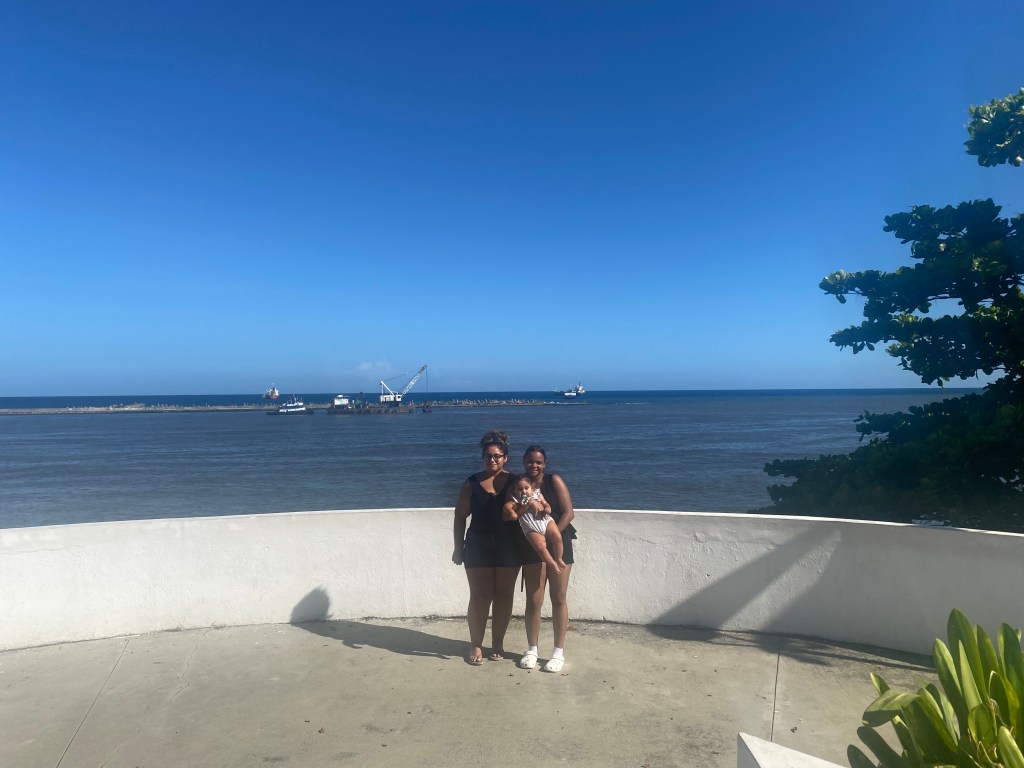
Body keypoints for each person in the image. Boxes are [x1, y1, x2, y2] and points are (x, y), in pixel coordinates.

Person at [451, 430, 520, 665]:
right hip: (477, 545)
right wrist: (458, 548)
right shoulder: (471, 483)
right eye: (488, 456)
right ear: (483, 458)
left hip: (509, 546)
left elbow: (533, 504)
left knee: (503, 596)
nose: (492, 460)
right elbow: (460, 517)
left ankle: (498, 642)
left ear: (506, 458)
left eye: (497, 456)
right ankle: (476, 644)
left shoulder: (515, 482)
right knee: (480, 597)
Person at [516, 445, 576, 673]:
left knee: (559, 596)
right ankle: (532, 649)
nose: (534, 466)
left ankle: (558, 652)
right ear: (524, 462)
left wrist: (552, 537)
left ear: (545, 464)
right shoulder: (521, 486)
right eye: (530, 461)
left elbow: (569, 513)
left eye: (538, 462)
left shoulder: (554, 481)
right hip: (533, 546)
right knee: (534, 598)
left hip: (559, 541)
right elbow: (516, 514)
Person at [502, 475, 566, 574]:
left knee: (557, 536)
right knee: (540, 546)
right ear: (514, 491)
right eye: (519, 489)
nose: (523, 491)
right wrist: (512, 512)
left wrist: (547, 507)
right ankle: (552, 563)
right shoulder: (516, 500)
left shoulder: (537, 494)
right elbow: (506, 507)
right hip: (531, 527)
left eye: (526, 488)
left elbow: (545, 503)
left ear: (531, 487)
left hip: (545, 521)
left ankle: (559, 557)